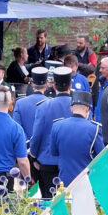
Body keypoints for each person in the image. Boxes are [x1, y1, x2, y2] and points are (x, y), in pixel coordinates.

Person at [29, 67, 74, 197]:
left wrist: (34, 157)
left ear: (54, 86)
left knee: (48, 204)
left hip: (47, 160)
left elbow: (37, 136)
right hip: (71, 161)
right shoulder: (79, 106)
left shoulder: (43, 107)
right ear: (70, 86)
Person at [49, 91, 104, 187]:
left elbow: (53, 152)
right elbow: (101, 157)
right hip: (87, 182)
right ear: (87, 109)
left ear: (71, 108)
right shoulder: (94, 128)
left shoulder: (57, 126)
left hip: (64, 180)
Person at [14, 67, 49, 141]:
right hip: (44, 149)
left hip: (24, 148)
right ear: (46, 85)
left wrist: (27, 143)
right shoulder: (51, 104)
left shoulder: (20, 103)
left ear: (32, 84)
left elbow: (17, 128)